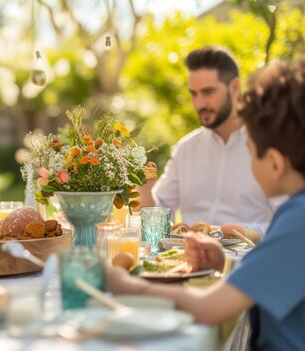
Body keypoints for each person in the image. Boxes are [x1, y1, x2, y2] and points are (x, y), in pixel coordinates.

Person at [107, 58, 305, 350]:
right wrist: (222, 261)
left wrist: (124, 284)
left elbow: (209, 308)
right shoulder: (296, 212)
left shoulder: (297, 221)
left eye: (250, 153)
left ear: (275, 163)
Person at [139, 46, 282, 238]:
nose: (199, 104)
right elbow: (160, 212)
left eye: (208, 92)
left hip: (249, 261)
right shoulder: (186, 148)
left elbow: (288, 223)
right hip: (189, 263)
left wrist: (244, 232)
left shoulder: (271, 144)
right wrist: (146, 189)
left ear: (235, 87)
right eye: (194, 93)